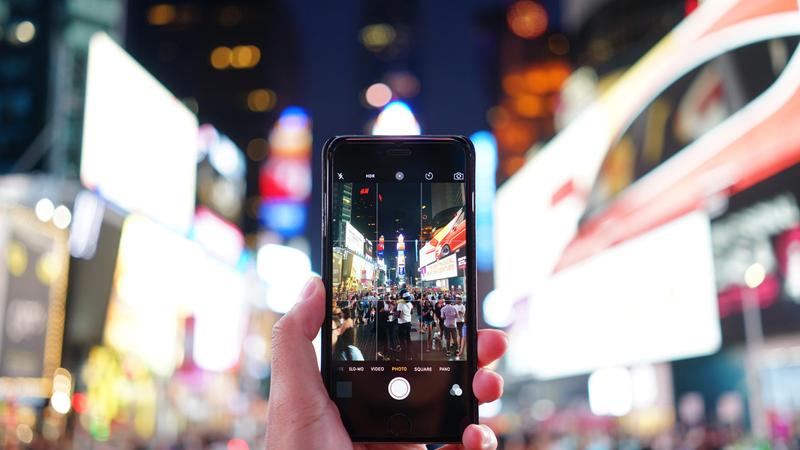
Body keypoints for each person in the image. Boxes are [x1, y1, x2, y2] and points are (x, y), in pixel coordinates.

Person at [267, 276, 506, 449]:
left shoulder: (356, 345)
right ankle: (406, 350)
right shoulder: (411, 306)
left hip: (400, 330)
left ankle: (401, 350)